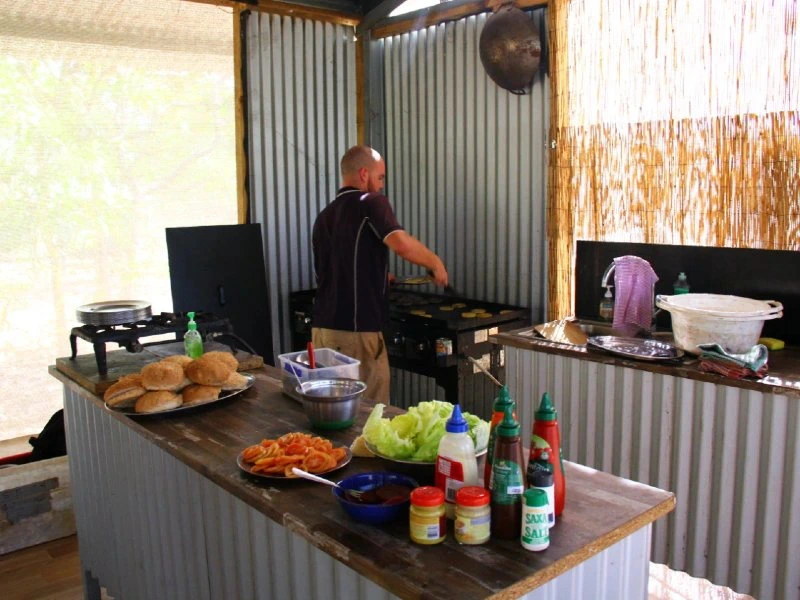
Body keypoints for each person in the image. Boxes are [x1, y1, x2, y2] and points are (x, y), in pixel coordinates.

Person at [311, 145, 448, 404]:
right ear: (364, 174)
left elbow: (333, 271)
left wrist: (376, 276)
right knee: (369, 413)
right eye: (380, 177)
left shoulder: (325, 216)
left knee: (333, 410)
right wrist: (435, 262)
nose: (382, 185)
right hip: (356, 332)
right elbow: (401, 244)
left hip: (322, 330)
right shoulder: (370, 202)